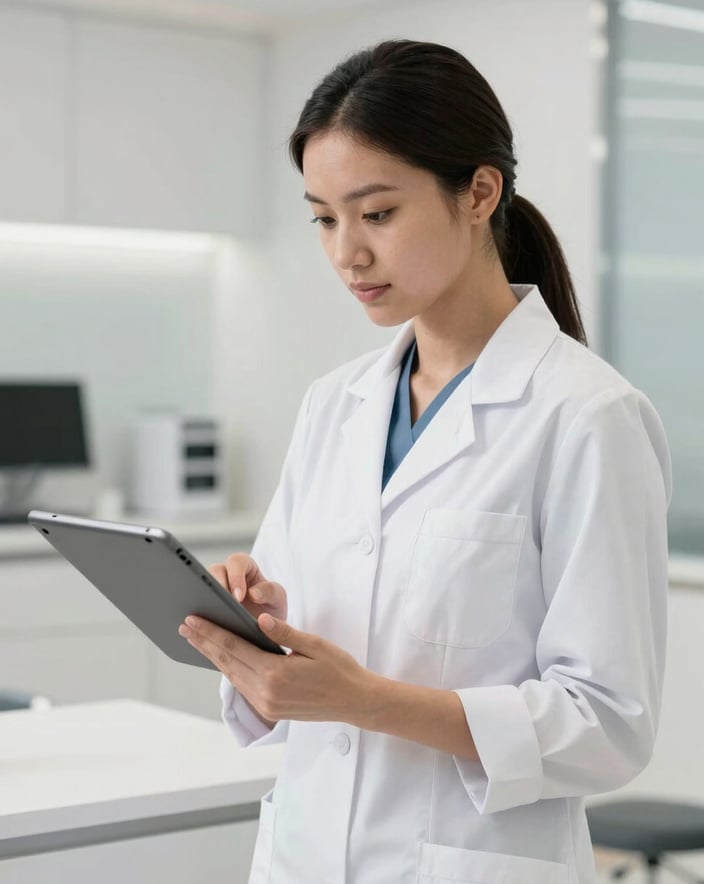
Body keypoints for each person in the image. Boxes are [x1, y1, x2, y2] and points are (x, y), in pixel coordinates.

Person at [178, 39, 672, 884]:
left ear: (479, 193)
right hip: (304, 852)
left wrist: (365, 700)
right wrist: (258, 618)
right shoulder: (336, 405)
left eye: (376, 214)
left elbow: (608, 726)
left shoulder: (587, 416)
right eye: (325, 218)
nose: (346, 254)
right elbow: (304, 658)